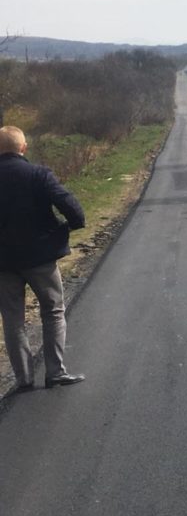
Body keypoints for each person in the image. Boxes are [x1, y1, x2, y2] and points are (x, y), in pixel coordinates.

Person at [0, 126, 86, 391]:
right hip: (40, 256)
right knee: (53, 310)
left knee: (12, 319)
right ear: (23, 147)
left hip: (3, 262)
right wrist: (71, 224)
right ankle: (55, 372)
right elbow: (67, 203)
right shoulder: (37, 174)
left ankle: (24, 379)